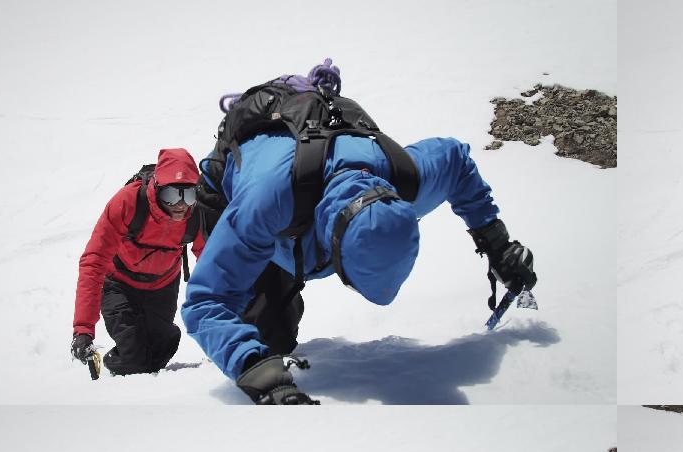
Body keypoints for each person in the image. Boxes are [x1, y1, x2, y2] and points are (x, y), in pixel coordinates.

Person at [181, 67, 535, 405]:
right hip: (242, 194)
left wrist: (498, 244)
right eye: (350, 281)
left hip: (298, 217)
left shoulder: (405, 177)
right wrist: (260, 377)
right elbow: (207, 300)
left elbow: (456, 161)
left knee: (271, 330)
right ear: (334, 249)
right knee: (264, 337)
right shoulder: (263, 203)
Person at [71, 148, 206, 376]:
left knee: (159, 352)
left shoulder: (199, 212)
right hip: (119, 283)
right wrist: (83, 329)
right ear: (157, 188)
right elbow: (94, 260)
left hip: (163, 285)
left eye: (189, 195)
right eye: (171, 195)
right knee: (135, 359)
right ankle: (117, 375)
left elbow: (214, 262)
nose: (181, 205)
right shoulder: (129, 201)